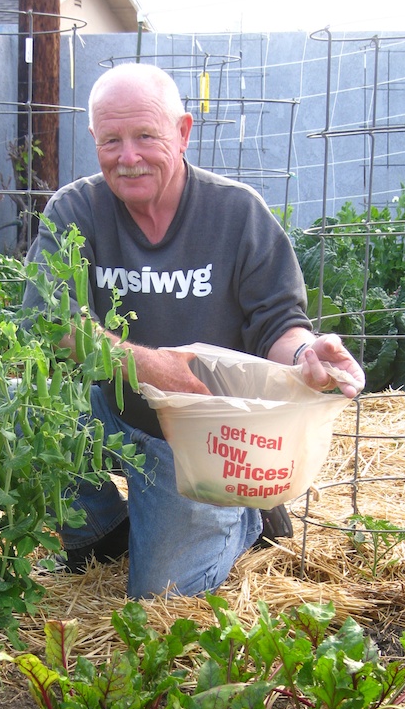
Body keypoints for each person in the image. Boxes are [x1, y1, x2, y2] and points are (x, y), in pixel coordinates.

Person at [24, 63, 364, 599]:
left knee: (162, 597)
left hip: (204, 441)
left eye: (145, 136)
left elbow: (278, 322)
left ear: (182, 132)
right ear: (94, 139)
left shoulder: (236, 213)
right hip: (113, 410)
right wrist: (149, 365)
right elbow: (47, 320)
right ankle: (104, 535)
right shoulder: (76, 209)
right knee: (24, 408)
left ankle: (249, 517)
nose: (128, 157)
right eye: (111, 140)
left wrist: (306, 355)